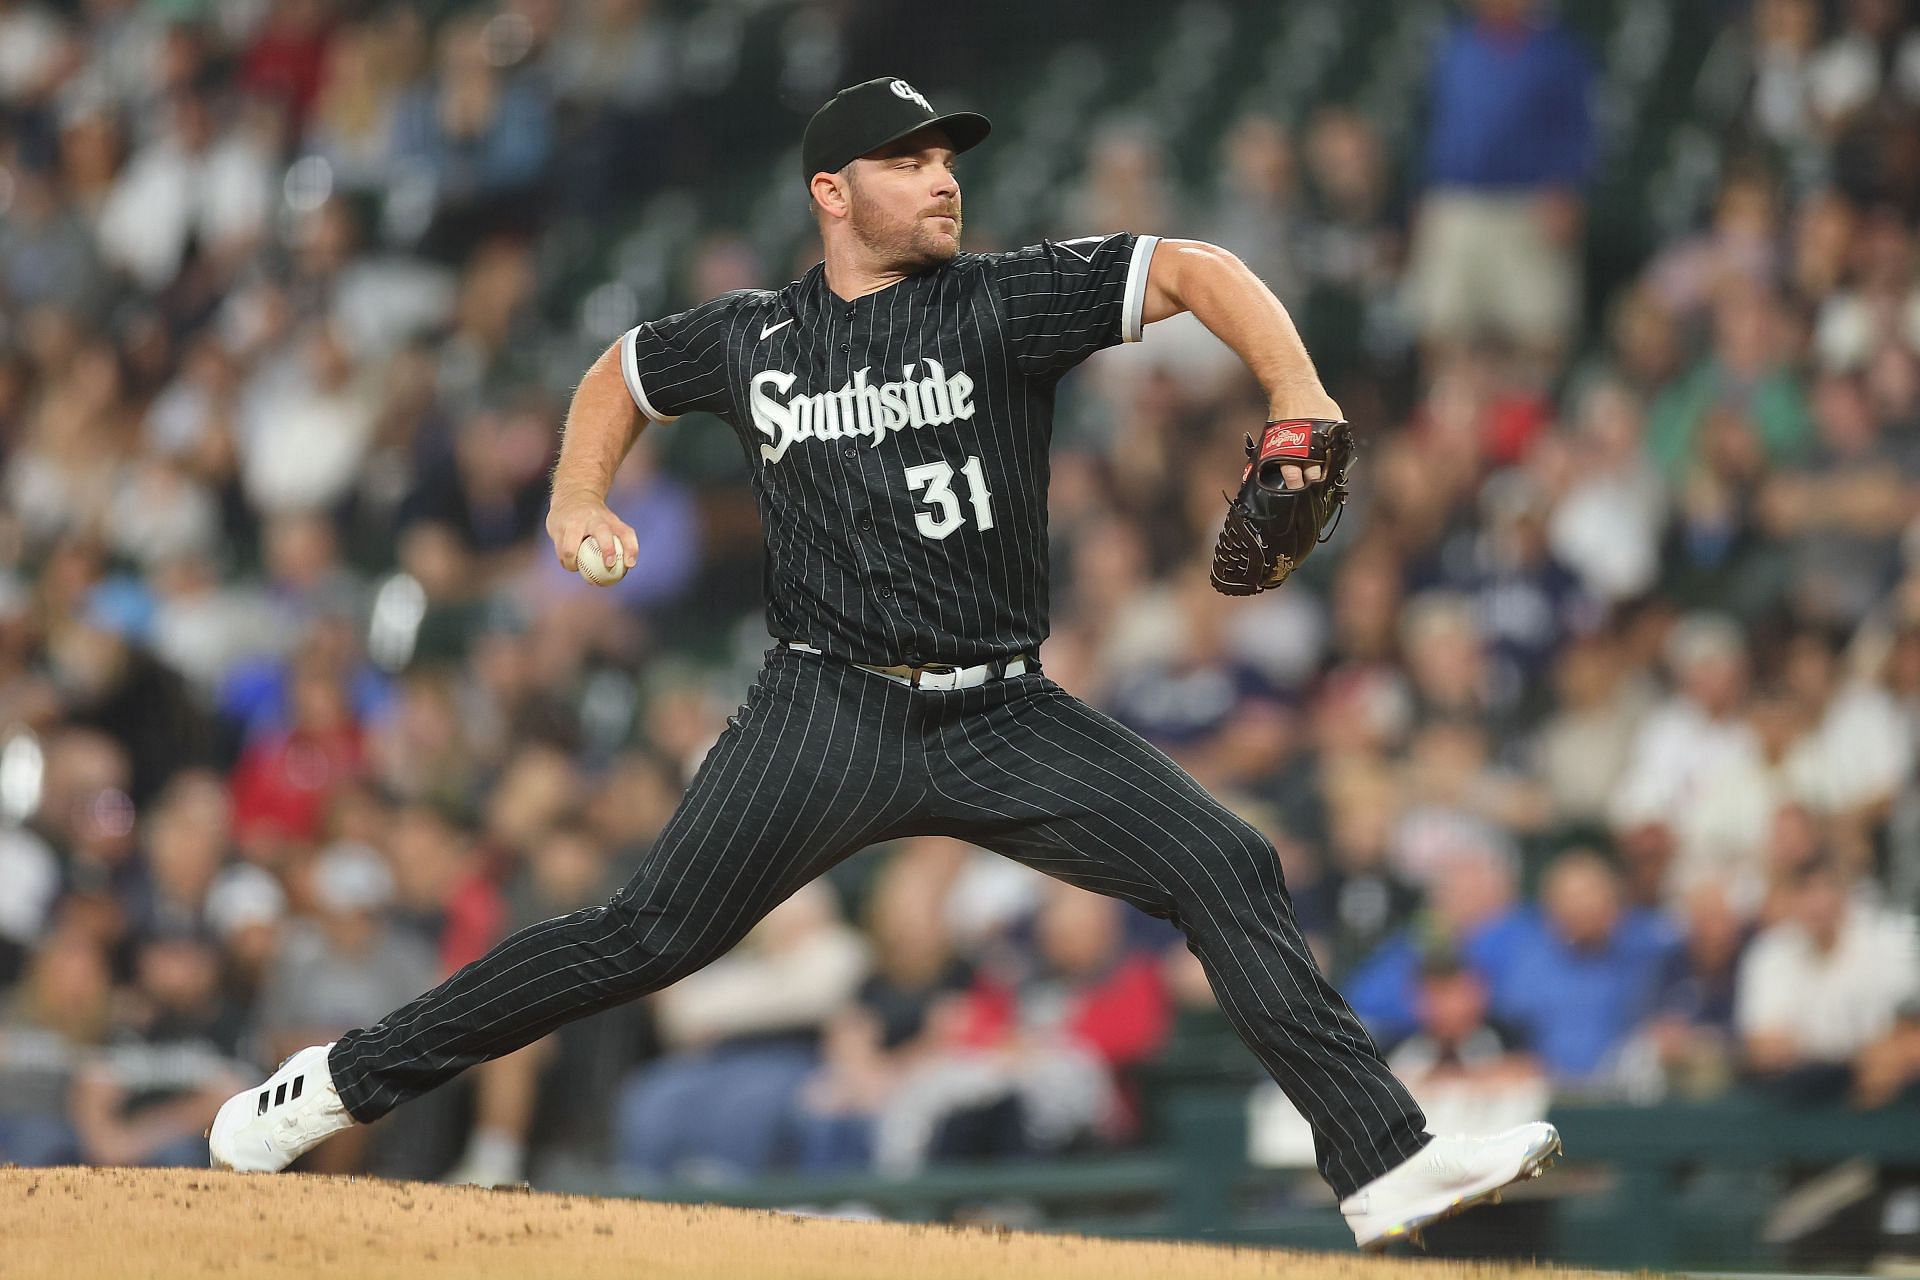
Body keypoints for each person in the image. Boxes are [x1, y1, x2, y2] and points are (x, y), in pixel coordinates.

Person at [208, 75, 1559, 1251]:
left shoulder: (1001, 305)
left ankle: (1380, 1163)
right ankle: (336, 1085)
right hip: (827, 708)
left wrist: (1299, 393)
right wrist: (576, 497)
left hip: (1001, 708)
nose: (941, 180)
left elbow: (1197, 265)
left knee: (1230, 862)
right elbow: (620, 369)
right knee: (640, 936)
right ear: (832, 193)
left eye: (946, 158)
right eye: (909, 163)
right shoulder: (753, 338)